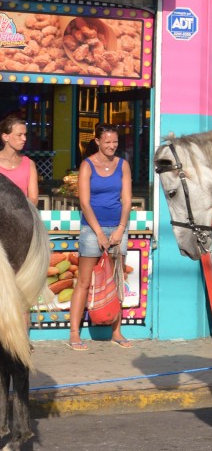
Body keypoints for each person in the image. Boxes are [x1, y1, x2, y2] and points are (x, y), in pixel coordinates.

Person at [68, 123, 131, 350]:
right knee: (84, 281)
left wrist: (121, 228)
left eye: (115, 142)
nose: (112, 146)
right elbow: (84, 203)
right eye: (107, 142)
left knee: (116, 280)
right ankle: (74, 333)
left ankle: (116, 330)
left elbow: (126, 200)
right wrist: (98, 233)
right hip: (91, 230)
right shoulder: (87, 166)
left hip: (117, 228)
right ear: (97, 141)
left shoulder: (123, 165)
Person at [0, 115, 38, 205]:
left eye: (25, 134)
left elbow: (34, 199)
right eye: (19, 135)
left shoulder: (29, 163)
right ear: (5, 137)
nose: (24, 139)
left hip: (22, 216)